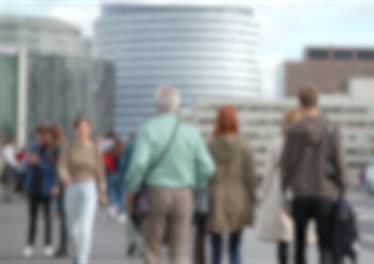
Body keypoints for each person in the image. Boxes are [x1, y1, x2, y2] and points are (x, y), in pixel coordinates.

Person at [124, 85, 215, 264]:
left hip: (155, 191)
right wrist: (192, 180)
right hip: (184, 193)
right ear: (177, 106)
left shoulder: (147, 129)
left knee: (151, 248)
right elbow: (208, 167)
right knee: (180, 250)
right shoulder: (191, 131)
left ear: (156, 105)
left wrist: (131, 189)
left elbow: (139, 164)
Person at [281, 85, 346, 264]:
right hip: (325, 191)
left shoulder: (294, 130)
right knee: (325, 245)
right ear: (317, 101)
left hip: (300, 193)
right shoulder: (331, 127)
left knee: (299, 245)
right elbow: (339, 160)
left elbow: (287, 163)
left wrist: (284, 190)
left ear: (300, 103)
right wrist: (342, 187)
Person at [257, 109, 316, 264]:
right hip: (303, 191)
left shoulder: (277, 143)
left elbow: (268, 174)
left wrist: (263, 195)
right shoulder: (308, 143)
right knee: (300, 238)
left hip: (280, 192)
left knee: (283, 238)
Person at [206, 106, 256, 264]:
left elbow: (205, 174)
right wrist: (253, 198)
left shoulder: (210, 146)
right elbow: (250, 176)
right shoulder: (244, 145)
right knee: (235, 248)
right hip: (239, 199)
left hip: (215, 199)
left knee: (215, 250)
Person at [58, 117, 108, 264]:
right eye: (80, 127)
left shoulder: (94, 149)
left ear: (89, 129)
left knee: (86, 225)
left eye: (86, 127)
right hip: (72, 186)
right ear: (75, 130)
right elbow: (62, 165)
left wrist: (102, 192)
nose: (83, 130)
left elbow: (100, 171)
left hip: (89, 187)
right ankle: (78, 253)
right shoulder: (69, 147)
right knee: (73, 227)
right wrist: (64, 176)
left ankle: (82, 259)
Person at [22, 125, 57, 258]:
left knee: (47, 218)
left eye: (42, 135)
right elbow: (25, 167)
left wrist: (39, 163)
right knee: (32, 219)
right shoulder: (33, 148)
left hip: (46, 189)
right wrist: (27, 162)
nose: (40, 138)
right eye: (38, 135)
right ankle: (29, 245)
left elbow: (52, 170)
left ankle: (48, 245)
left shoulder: (51, 150)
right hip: (33, 188)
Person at [49, 124, 68, 258]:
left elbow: (59, 167)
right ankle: (64, 246)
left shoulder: (59, 147)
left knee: (63, 216)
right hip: (64, 184)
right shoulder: (63, 145)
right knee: (64, 216)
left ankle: (64, 247)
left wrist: (56, 185)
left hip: (62, 185)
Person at [1, 136, 18, 202]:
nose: (13, 142)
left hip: (8, 166)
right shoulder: (8, 148)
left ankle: (7, 195)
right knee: (10, 181)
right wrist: (15, 165)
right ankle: (8, 196)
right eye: (12, 141)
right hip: (9, 167)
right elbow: (10, 159)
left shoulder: (9, 148)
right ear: (10, 141)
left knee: (7, 182)